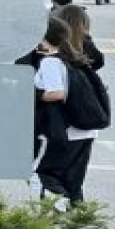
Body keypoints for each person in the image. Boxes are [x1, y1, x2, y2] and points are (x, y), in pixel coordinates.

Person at [27, 19, 101, 206]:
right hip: (84, 131)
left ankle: (56, 220)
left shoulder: (50, 61)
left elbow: (57, 93)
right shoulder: (72, 58)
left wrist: (33, 95)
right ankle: (75, 227)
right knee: (72, 183)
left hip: (64, 131)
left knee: (41, 174)